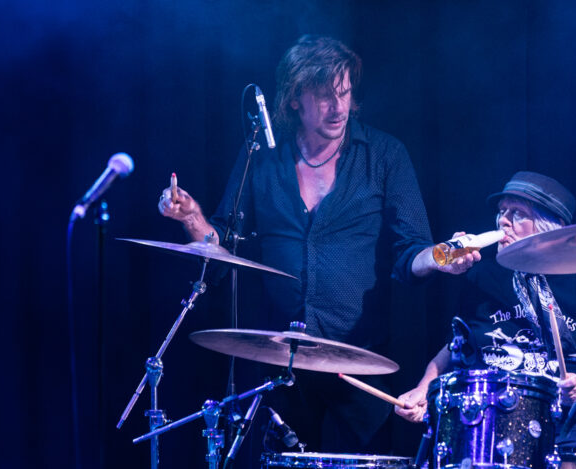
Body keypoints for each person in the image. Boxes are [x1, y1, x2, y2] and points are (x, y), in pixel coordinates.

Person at [158, 35, 477, 453]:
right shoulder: (262, 158)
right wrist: (191, 217)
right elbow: (221, 247)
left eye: (345, 93)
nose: (339, 107)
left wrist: (438, 259)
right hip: (281, 359)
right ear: (294, 99)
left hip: (358, 360)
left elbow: (409, 252)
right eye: (325, 96)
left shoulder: (384, 155)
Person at [395, 171, 576, 466]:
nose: (503, 221)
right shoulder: (481, 276)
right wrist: (424, 389)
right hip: (489, 420)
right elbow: (455, 347)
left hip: (568, 425)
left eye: (517, 213)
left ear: (551, 226)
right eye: (502, 211)